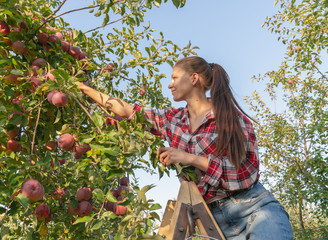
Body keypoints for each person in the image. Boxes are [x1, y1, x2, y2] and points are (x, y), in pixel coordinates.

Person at [75, 56, 294, 239]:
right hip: (213, 220)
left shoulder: (230, 117)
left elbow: (247, 172)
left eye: (174, 78)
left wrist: (190, 158)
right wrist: (85, 89)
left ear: (194, 79)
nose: (170, 84)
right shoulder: (172, 120)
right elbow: (128, 110)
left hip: (253, 208)